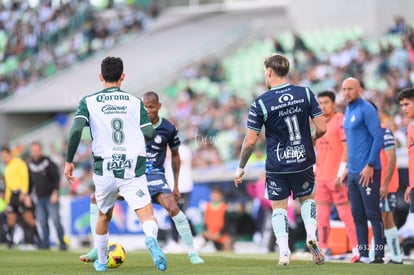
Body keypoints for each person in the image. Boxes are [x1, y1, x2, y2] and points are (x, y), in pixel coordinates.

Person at [64, 56, 167, 272]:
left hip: (105, 166)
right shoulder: (134, 102)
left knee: (104, 215)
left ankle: (101, 261)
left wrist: (69, 161)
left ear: (101, 77)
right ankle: (150, 238)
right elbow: (149, 132)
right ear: (123, 77)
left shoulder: (88, 101)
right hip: (133, 165)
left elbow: (75, 130)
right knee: (146, 214)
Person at [234, 53, 327, 266]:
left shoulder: (261, 103)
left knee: (279, 208)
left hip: (277, 165)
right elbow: (322, 128)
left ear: (268, 72)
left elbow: (250, 142)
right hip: (303, 160)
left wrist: (240, 167)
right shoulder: (306, 92)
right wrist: (308, 140)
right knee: (308, 199)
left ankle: (284, 252)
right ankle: (311, 235)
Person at [142, 91, 204, 264]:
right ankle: (99, 251)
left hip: (156, 176)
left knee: (175, 210)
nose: (147, 110)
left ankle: (192, 253)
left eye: (151, 107)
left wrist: (175, 185)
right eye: (144, 107)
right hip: (135, 177)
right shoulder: (134, 126)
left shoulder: (168, 128)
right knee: (102, 200)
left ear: (159, 106)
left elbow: (175, 156)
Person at [342, 77, 385, 264]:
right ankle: (364, 254)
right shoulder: (347, 110)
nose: (346, 93)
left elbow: (378, 137)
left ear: (359, 89)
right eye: (344, 89)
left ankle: (380, 254)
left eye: (350, 89)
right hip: (352, 172)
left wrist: (370, 164)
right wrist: (345, 168)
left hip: (367, 171)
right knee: (357, 215)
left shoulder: (366, 109)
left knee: (373, 213)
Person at [314, 91, 359, 262]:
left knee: (346, 215)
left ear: (333, 104)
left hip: (336, 178)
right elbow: (317, 150)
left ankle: (357, 248)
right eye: (320, 103)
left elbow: (347, 147)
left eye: (326, 102)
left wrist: (341, 173)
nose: (323, 106)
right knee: (323, 217)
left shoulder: (340, 120)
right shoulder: (319, 123)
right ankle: (323, 249)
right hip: (321, 179)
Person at [366, 104, 403, 264]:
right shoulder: (365, 133)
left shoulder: (384, 131)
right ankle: (393, 256)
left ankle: (379, 255)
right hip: (373, 183)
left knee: (383, 217)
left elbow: (391, 158)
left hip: (385, 184)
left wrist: (385, 183)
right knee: (382, 218)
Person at [28, 141, 67, 251]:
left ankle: (62, 243)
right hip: (39, 198)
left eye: (37, 150)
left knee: (56, 221)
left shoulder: (48, 162)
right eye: (33, 151)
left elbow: (56, 178)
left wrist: (55, 192)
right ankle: (45, 244)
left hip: (51, 196)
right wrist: (28, 195)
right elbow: (30, 183)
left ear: (41, 150)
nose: (35, 153)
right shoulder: (30, 165)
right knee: (42, 221)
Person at [1, 146, 41, 249]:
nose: (4, 158)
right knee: (11, 218)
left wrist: (24, 192)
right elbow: (8, 186)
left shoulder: (19, 163)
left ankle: (39, 240)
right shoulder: (7, 168)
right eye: (2, 156)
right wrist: (7, 200)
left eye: (5, 155)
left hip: (21, 193)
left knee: (28, 218)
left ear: (10, 154)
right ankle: (11, 242)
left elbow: (25, 178)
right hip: (12, 196)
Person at [202, 186, 233, 251]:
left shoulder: (224, 208)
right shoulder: (207, 207)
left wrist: (219, 234)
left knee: (228, 241)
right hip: (209, 234)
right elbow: (205, 223)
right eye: (213, 194)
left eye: (217, 194)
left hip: (220, 234)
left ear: (221, 196)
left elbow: (226, 224)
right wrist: (207, 232)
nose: (215, 196)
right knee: (198, 241)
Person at [398, 88, 414, 213]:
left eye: (407, 104)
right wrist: (410, 185)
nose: (404, 108)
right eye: (402, 105)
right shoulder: (410, 127)